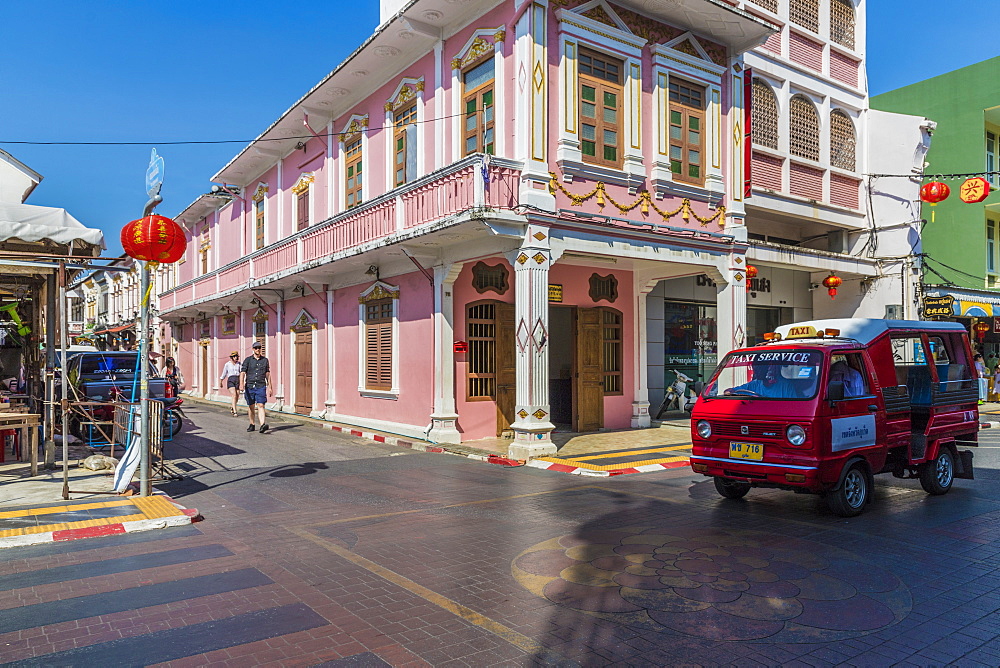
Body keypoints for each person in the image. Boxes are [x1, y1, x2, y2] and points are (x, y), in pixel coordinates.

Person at [239, 341, 272, 433]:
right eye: (256, 348)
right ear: (253, 349)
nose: (258, 349)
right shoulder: (248, 360)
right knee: (251, 406)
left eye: (259, 348)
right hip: (250, 386)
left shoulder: (265, 360)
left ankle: (262, 425)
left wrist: (270, 386)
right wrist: (241, 384)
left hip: (260, 385)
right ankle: (252, 424)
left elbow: (268, 374)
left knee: (261, 405)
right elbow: (242, 373)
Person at [725, 362, 799, 398]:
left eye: (759, 368)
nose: (756, 371)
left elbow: (794, 407)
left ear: (768, 368)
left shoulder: (786, 386)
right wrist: (729, 392)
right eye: (755, 368)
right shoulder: (754, 384)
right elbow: (729, 391)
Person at [220, 351, 242, 417]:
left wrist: (242, 381)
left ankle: (233, 406)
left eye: (237, 356)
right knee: (234, 395)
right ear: (232, 357)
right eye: (235, 356)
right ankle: (235, 411)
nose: (236, 358)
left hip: (237, 379)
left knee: (237, 395)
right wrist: (221, 381)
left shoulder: (239, 364)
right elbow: (224, 373)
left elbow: (241, 373)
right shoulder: (227, 364)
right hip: (231, 380)